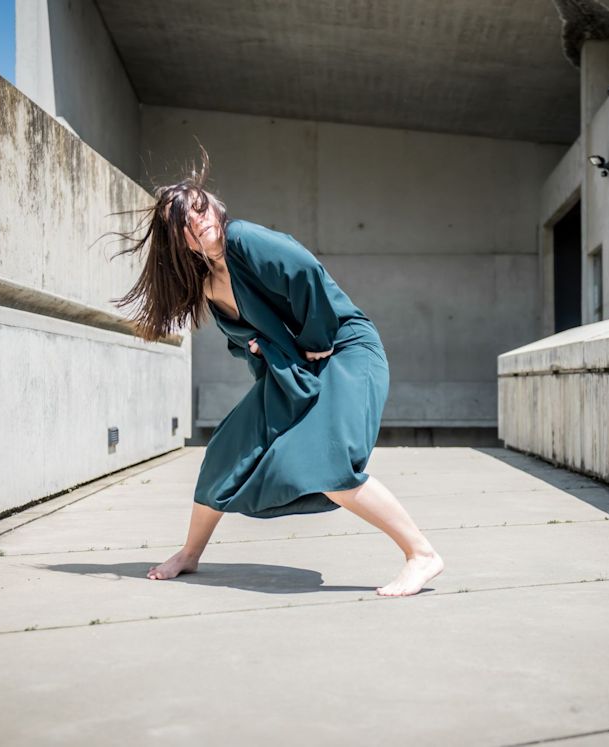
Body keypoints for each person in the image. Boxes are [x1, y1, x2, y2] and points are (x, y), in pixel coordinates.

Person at [110, 154, 443, 596]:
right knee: (225, 453)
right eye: (186, 219)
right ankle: (190, 553)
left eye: (200, 207)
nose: (200, 220)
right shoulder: (207, 281)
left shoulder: (243, 239)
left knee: (325, 462)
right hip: (296, 366)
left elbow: (306, 273)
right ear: (178, 240)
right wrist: (260, 348)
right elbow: (246, 337)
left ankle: (421, 554)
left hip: (343, 349)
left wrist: (317, 336)